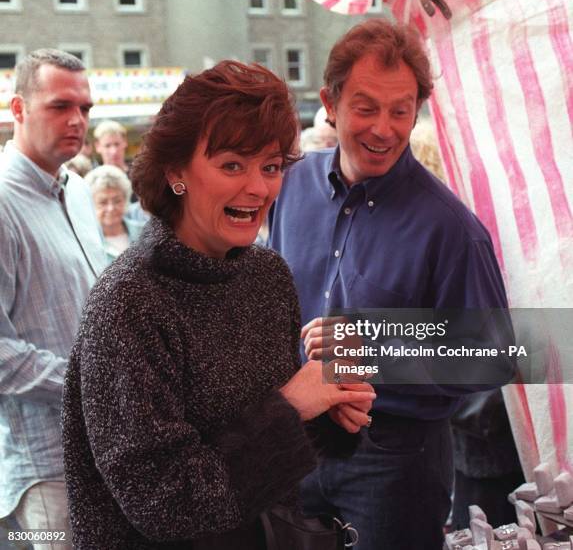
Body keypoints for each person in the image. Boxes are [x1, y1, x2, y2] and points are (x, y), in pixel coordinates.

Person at [62, 60, 376, 550]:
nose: (257, 187)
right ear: (176, 172)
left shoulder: (266, 276)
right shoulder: (129, 304)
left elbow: (270, 452)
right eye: (232, 164)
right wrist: (295, 405)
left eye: (270, 167)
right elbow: (164, 502)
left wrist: (332, 412)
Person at [269, 19, 511, 550]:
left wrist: (370, 347)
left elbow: (495, 354)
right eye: (366, 107)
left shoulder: (452, 227)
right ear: (329, 103)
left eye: (401, 110)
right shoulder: (287, 184)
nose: (384, 128)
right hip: (295, 444)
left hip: (396, 462)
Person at [0, 49, 107, 549]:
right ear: (17, 109)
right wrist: (92, 383)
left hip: (103, 447)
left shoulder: (79, 189)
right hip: (45, 466)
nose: (77, 120)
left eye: (85, 108)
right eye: (60, 106)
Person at [84, 164, 145, 264]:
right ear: (90, 204)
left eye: (117, 201)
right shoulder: (87, 242)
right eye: (103, 202)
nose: (111, 208)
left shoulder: (144, 232)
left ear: (126, 200)